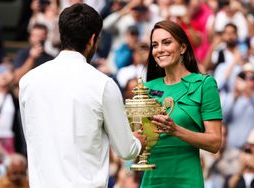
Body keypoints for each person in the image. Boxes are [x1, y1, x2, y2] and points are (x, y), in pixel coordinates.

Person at [19, 3, 145, 188]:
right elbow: (127, 150)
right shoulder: (103, 84)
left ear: (62, 36)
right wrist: (139, 142)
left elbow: (32, 136)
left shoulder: (28, 81)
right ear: (93, 39)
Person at [140, 20, 223, 188]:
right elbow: (139, 145)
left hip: (187, 179)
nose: (160, 49)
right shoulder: (145, 89)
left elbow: (215, 143)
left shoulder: (204, 84)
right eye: (155, 45)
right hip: (152, 179)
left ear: (183, 48)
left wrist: (176, 130)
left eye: (167, 42)